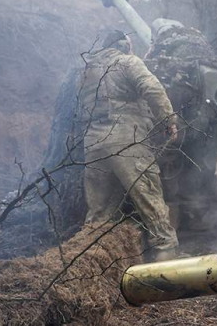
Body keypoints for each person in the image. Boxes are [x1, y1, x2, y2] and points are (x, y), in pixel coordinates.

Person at [77, 30, 178, 262]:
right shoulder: (127, 62)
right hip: (126, 140)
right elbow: (152, 88)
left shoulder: (86, 71)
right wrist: (168, 120)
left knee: (98, 217)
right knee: (152, 205)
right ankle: (167, 265)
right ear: (123, 45)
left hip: (92, 143)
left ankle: (89, 266)